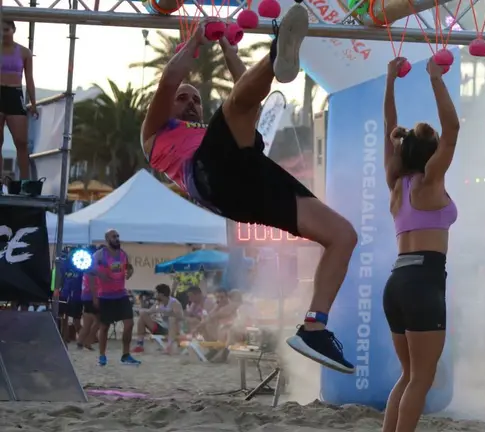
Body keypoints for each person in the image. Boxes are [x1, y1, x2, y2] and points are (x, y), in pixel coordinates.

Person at [140, 7, 356, 374]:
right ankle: (275, 55)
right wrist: (195, 40)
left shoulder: (219, 128)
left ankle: (314, 329)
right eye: (184, 98)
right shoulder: (156, 132)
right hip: (209, 178)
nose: (191, 102)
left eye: (195, 99)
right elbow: (170, 79)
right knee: (237, 107)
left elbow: (248, 95)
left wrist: (228, 49)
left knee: (343, 235)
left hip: (249, 178)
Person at [380, 57, 459, 432]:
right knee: (421, 379)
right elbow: (453, 127)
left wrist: (390, 81)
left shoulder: (396, 184)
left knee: (409, 375)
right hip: (423, 282)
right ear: (432, 155)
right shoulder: (430, 182)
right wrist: (435, 78)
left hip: (397, 281)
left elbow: (388, 127)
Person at [91, 230, 141, 366]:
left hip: (121, 294)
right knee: (104, 327)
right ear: (107, 239)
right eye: (114, 236)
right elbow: (90, 271)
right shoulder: (100, 255)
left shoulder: (123, 254)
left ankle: (126, 355)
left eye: (118, 236)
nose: (117, 238)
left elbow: (128, 266)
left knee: (129, 324)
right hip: (105, 296)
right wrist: (94, 296)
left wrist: (130, 271)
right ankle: (102, 355)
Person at [0, 20, 36, 181]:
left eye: (6, 30)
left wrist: (33, 103)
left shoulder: (24, 52)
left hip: (14, 93)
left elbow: (29, 78)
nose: (3, 33)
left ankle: (25, 181)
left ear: (13, 30)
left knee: (21, 142)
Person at [133, 284, 184, 353]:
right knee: (143, 315)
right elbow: (150, 311)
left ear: (161, 294)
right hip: (163, 328)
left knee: (172, 319)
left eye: (156, 293)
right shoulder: (159, 303)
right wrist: (140, 311)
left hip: (173, 329)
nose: (155, 294)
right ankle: (139, 345)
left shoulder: (174, 303)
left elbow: (180, 317)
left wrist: (167, 313)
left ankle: (169, 346)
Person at [77, 269, 99, 350]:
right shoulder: (92, 270)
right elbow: (92, 285)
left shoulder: (87, 270)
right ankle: (88, 341)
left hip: (86, 297)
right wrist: (95, 299)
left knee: (87, 323)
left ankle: (80, 342)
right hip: (90, 298)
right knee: (99, 321)